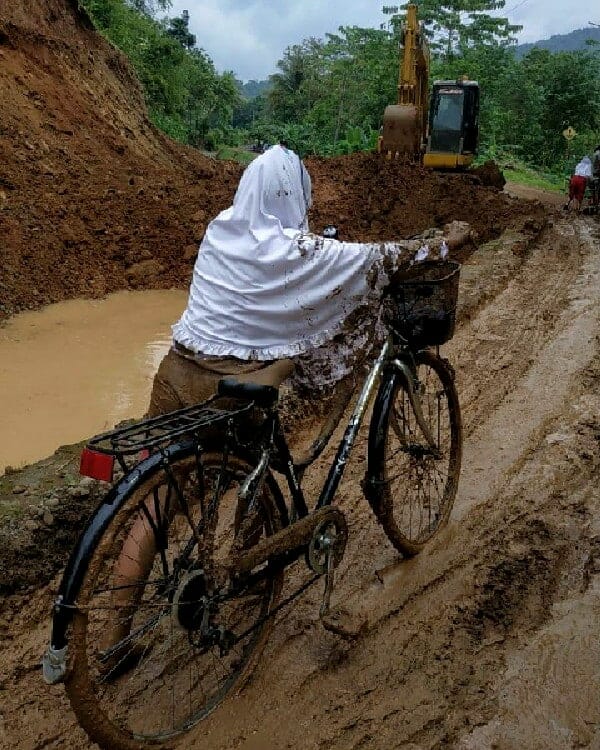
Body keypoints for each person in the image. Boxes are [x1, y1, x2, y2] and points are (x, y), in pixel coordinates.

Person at [148, 142, 471, 431]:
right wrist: (445, 243)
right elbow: (379, 259)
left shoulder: (220, 228)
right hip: (227, 387)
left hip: (175, 367)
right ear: (293, 194)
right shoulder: (297, 250)